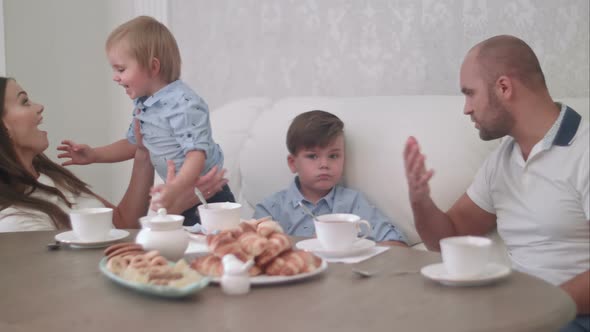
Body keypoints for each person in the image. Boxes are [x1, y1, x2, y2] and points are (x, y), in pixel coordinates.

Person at [403, 35, 588, 331]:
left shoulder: (585, 150)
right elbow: (446, 241)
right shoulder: (501, 161)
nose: (466, 108)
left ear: (504, 87)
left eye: (470, 93)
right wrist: (420, 202)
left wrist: (538, 309)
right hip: (522, 315)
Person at [57, 16, 234, 226]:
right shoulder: (145, 105)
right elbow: (134, 144)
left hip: (210, 197)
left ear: (153, 67)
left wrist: (176, 187)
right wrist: (95, 154)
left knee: (210, 248)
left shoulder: (183, 104)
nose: (115, 77)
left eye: (121, 69)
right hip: (180, 196)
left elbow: (196, 154)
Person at [0, 77, 227, 232]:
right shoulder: (16, 222)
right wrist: (169, 213)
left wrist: (143, 148)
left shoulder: (50, 177)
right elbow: (95, 273)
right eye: (24, 101)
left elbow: (123, 223)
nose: (39, 106)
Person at [254, 110, 407, 246]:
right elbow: (251, 249)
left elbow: (396, 244)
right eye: (312, 156)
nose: (324, 164)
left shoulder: (353, 203)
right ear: (293, 163)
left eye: (333, 156)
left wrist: (353, 247)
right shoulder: (272, 209)